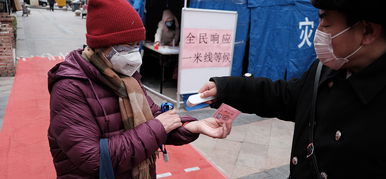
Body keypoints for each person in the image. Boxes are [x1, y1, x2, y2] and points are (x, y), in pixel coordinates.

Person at [198, 0, 386, 178]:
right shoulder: (325, 69)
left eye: (326, 25)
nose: (318, 32)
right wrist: (224, 89)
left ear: (368, 31)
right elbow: (285, 96)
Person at [47, 0, 231, 178]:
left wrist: (193, 127)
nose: (134, 55)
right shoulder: (70, 87)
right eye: (126, 47)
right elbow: (93, 160)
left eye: (137, 45)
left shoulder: (128, 77)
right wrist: (158, 127)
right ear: (101, 47)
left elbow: (155, 117)